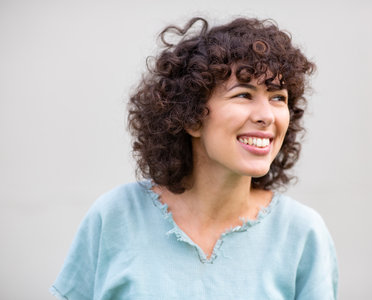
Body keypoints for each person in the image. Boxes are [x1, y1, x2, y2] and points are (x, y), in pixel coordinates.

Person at [50, 17, 338, 299]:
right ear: (192, 117)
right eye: (243, 95)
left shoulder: (302, 234)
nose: (266, 116)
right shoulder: (115, 217)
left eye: (278, 98)